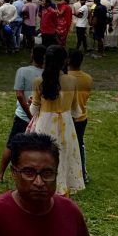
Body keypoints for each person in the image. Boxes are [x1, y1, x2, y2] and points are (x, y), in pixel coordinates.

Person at [29, 45, 84, 195]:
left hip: (45, 124)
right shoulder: (72, 81)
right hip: (66, 124)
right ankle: (63, 192)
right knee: (64, 156)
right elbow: (76, 111)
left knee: (43, 157)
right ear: (65, 61)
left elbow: (33, 109)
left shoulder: (38, 81)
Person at [0, 45, 46, 183]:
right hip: (41, 116)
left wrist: (28, 113)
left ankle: (0, 175)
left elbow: (20, 95)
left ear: (32, 55)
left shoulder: (23, 71)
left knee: (12, 144)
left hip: (24, 115)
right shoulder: (47, 74)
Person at [67, 49, 93, 184]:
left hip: (68, 117)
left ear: (68, 60)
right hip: (82, 117)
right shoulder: (88, 78)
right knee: (79, 145)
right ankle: (82, 173)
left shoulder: (64, 78)